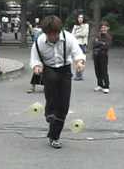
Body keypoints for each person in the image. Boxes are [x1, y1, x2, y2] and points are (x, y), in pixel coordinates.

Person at [30, 15, 86, 149]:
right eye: (49, 34)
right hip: (48, 68)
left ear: (59, 31)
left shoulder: (68, 38)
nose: (52, 37)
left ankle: (54, 136)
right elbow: (35, 59)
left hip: (65, 68)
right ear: (45, 33)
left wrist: (79, 62)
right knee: (52, 93)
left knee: (64, 105)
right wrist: (37, 66)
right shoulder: (39, 42)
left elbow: (77, 53)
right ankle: (49, 113)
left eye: (55, 34)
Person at [92, 21, 112, 94]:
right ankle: (99, 84)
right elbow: (94, 44)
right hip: (96, 55)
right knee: (97, 71)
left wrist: (99, 43)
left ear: (108, 28)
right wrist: (101, 43)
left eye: (105, 27)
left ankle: (106, 86)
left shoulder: (108, 36)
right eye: (102, 27)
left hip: (103, 56)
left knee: (104, 71)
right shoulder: (98, 35)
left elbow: (106, 46)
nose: (103, 29)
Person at [72, 14, 90, 81]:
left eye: (81, 18)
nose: (80, 19)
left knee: (82, 60)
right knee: (76, 60)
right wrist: (78, 34)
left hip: (82, 44)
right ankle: (77, 75)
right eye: (79, 18)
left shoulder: (86, 25)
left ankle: (79, 75)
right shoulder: (75, 26)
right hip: (76, 44)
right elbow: (72, 34)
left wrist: (76, 34)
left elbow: (84, 34)